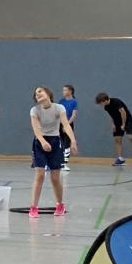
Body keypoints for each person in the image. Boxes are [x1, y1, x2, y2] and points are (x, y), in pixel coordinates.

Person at [28, 86, 77, 217]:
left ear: (48, 93)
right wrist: (43, 142)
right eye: (35, 93)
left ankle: (60, 204)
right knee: (39, 175)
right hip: (40, 143)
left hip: (55, 142)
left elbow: (66, 125)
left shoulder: (59, 108)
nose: (37, 94)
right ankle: (33, 207)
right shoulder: (34, 110)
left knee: (55, 178)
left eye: (40, 91)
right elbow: (36, 129)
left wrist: (73, 140)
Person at [94, 92, 132, 167]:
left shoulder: (116, 102)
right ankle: (120, 159)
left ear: (105, 100)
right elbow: (112, 115)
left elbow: (123, 112)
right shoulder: (106, 107)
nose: (100, 105)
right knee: (117, 139)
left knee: (131, 137)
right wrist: (113, 124)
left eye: (100, 103)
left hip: (127, 120)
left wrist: (123, 124)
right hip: (117, 121)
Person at [58, 85, 79, 172]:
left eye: (65, 90)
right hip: (59, 124)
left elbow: (74, 115)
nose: (63, 92)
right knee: (60, 143)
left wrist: (67, 124)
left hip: (68, 124)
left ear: (70, 91)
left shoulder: (74, 102)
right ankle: (58, 162)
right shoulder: (61, 101)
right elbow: (58, 113)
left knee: (67, 144)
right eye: (63, 90)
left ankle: (64, 163)